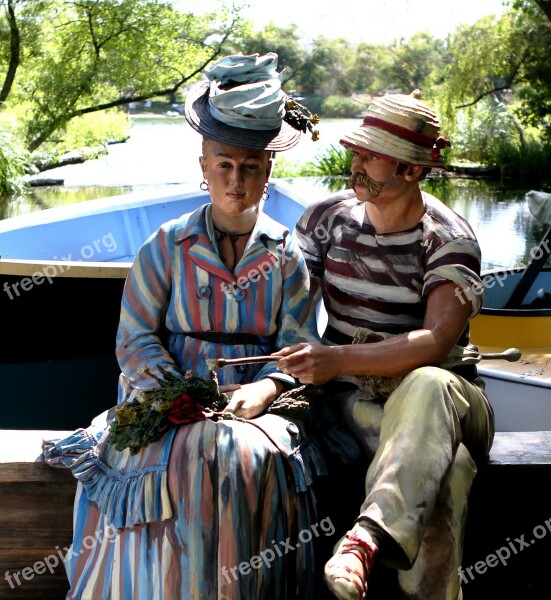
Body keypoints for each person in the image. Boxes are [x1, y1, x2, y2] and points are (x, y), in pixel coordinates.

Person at [42, 52, 325, 600]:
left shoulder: (288, 256)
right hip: (162, 395)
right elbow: (135, 339)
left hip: (255, 399)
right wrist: (176, 393)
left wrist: (266, 387)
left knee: (247, 456)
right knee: (176, 453)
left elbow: (298, 347)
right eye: (224, 164)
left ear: (269, 172)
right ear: (203, 165)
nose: (236, 180)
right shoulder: (167, 246)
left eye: (250, 166)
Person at [275, 90, 495, 600]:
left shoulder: (447, 238)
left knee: (428, 381)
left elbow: (438, 340)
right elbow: (291, 313)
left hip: (452, 401)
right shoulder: (325, 221)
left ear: (412, 171)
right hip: (357, 403)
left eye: (370, 156)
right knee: (452, 470)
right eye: (356, 152)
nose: (355, 166)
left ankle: (364, 539)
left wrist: (339, 358)